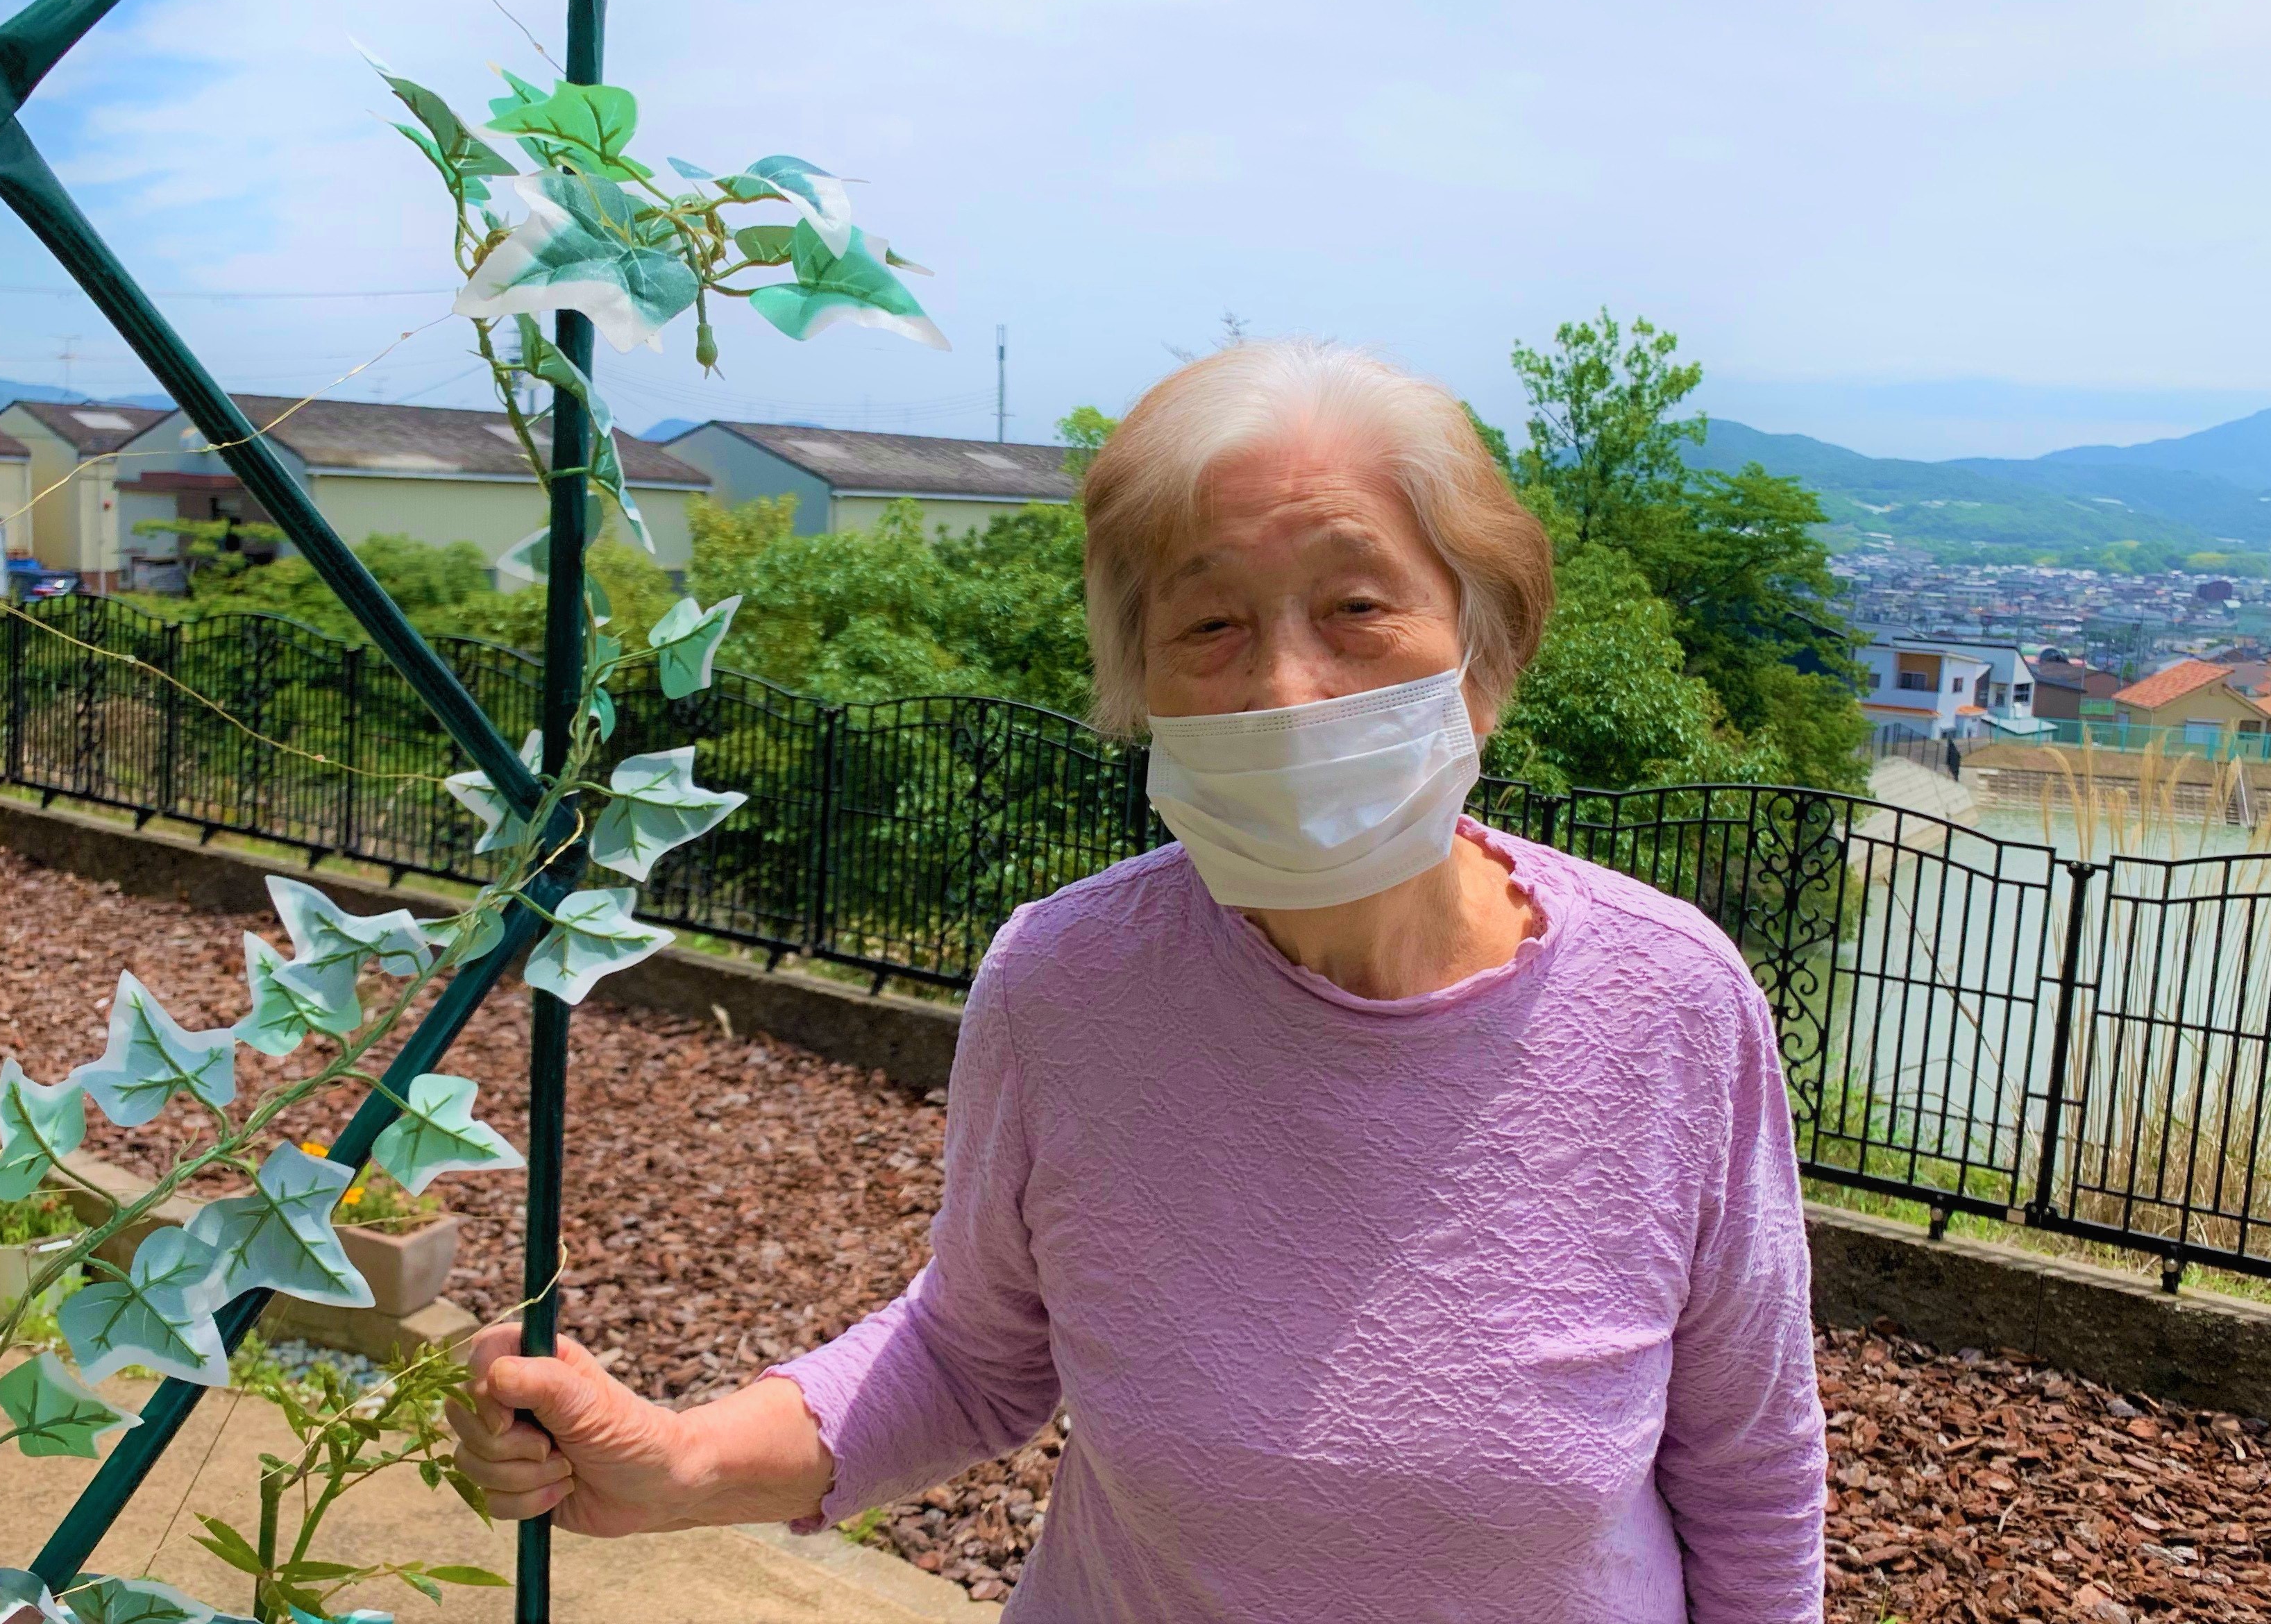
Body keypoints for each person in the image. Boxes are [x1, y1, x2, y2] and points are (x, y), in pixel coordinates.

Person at [447, 339, 1827, 1622]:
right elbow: (972, 1353)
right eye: (1210, 624)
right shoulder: (1068, 984)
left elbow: (1753, 1475)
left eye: (1356, 606)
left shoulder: (1670, 1005)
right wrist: (682, 1464)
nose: (1285, 688)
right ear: (1140, 683)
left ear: (1489, 649)